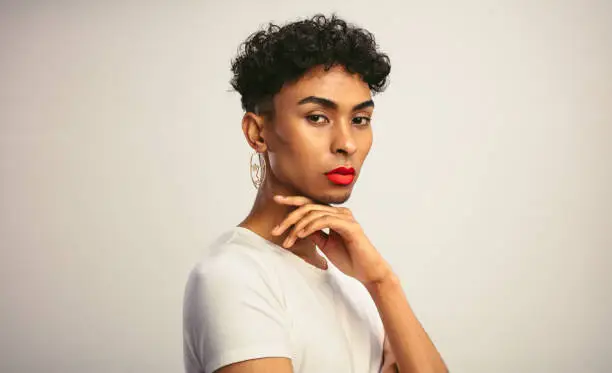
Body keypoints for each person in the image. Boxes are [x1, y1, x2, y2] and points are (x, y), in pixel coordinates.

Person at [183, 13, 448, 373]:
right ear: (258, 133)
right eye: (317, 117)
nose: (346, 144)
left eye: (360, 120)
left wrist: (382, 282)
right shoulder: (233, 276)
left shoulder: (356, 282)